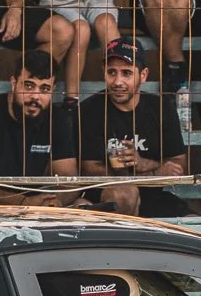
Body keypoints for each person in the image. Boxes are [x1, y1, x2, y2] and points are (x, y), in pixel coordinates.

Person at [72, 37, 189, 216]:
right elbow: (90, 170)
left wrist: (142, 163)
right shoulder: (88, 110)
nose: (117, 82)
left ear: (143, 75)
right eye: (112, 72)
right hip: (106, 193)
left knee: (193, 220)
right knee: (125, 194)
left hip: (154, 194)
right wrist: (153, 172)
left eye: (126, 73)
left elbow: (179, 164)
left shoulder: (161, 108)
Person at [0, 48, 78, 205]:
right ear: (14, 84)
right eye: (28, 86)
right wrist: (23, 202)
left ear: (53, 90)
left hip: (38, 205)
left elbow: (69, 180)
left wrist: (55, 202)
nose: (35, 96)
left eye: (44, 89)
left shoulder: (58, 119)